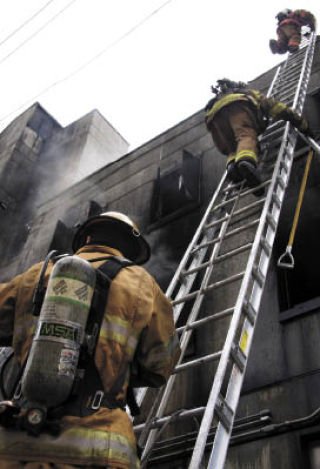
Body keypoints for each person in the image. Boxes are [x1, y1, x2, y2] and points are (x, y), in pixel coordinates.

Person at [0, 211, 181, 468]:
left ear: (86, 237)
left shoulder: (35, 275)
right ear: (128, 249)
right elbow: (159, 368)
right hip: (99, 449)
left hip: (16, 444)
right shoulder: (143, 285)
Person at [204, 78, 312, 196]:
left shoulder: (215, 101)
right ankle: (245, 161)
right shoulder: (246, 93)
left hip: (214, 119)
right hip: (237, 106)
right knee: (246, 135)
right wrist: (302, 124)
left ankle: (233, 168)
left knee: (232, 148)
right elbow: (275, 107)